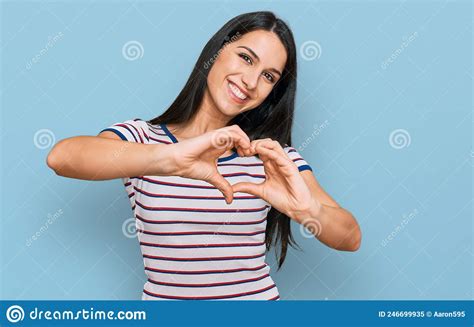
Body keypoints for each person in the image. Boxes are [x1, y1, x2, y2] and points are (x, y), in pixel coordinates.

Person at [46, 11, 361, 301]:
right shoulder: (144, 138)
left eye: (268, 77)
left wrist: (306, 209)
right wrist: (170, 159)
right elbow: (63, 158)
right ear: (216, 52)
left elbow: (349, 236)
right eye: (246, 58)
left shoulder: (271, 158)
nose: (251, 82)